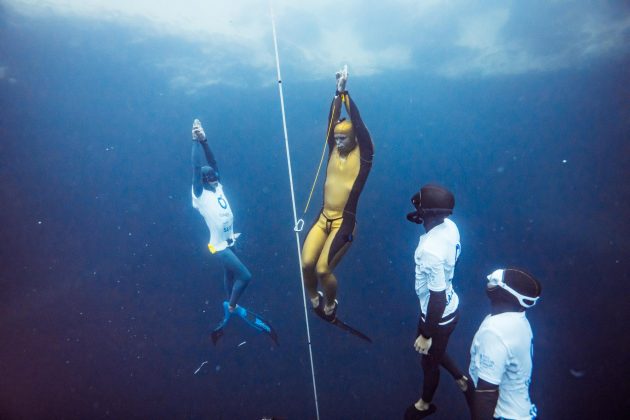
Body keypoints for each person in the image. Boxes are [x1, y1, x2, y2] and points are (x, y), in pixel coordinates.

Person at [190, 119, 277, 345]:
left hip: (230, 239)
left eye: (213, 178)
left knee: (230, 274)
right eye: (208, 179)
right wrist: (194, 142)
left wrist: (204, 140)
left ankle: (228, 304)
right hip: (219, 245)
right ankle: (232, 306)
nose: (213, 180)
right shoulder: (199, 193)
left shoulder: (216, 185)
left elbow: (213, 163)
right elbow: (197, 168)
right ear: (201, 181)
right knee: (245, 276)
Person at [301, 65, 374, 323]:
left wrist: (347, 95)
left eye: (343, 139)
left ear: (354, 139)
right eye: (336, 139)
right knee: (306, 265)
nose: (338, 142)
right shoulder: (333, 148)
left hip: (345, 221)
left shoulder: (364, 156)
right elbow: (332, 123)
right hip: (323, 218)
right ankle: (314, 299)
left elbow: (362, 128)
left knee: (323, 269)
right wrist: (336, 93)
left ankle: (331, 303)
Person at [404, 184, 472, 419]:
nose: (417, 207)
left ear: (430, 213)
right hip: (447, 308)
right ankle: (461, 379)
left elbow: (438, 297)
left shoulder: (430, 251)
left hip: (438, 315)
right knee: (433, 349)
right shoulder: (450, 227)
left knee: (428, 363)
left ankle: (424, 404)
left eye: (420, 205)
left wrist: (427, 333)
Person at [468, 268, 541, 420]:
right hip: (522, 413)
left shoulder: (496, 331)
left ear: (508, 295)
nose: (489, 281)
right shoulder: (519, 320)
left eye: (494, 281)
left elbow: (487, 393)